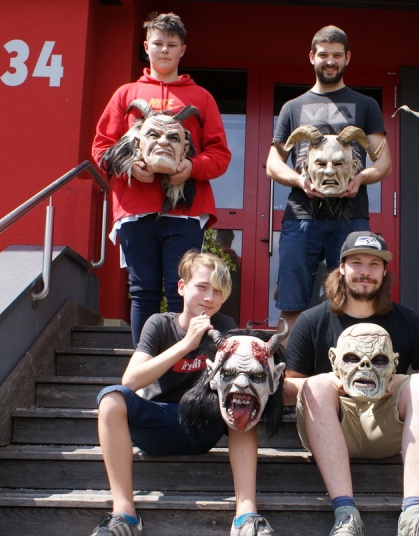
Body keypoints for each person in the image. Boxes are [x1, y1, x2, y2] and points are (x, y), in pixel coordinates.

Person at [91, 251, 275, 536]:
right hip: (158, 424)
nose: (209, 298)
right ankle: (124, 514)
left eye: (218, 291)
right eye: (202, 287)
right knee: (111, 398)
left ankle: (246, 515)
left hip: (202, 425)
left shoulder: (225, 326)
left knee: (242, 401)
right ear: (181, 287)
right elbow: (130, 380)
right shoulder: (159, 324)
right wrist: (187, 344)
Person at [284, 231, 419, 536]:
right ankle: (346, 515)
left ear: (384, 272)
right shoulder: (311, 321)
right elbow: (286, 391)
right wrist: (330, 380)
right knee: (317, 386)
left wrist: (401, 378)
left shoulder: (407, 320)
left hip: (387, 427)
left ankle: (414, 516)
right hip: (334, 427)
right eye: (357, 263)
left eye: (374, 264)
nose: (365, 271)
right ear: (341, 268)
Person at [92, 12, 231, 347]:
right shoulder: (126, 94)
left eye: (171, 44)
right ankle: (144, 365)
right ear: (146, 47)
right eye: (158, 43)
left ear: (183, 49)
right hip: (135, 208)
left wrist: (191, 167)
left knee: (181, 289)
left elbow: (220, 155)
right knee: (143, 290)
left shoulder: (202, 97)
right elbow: (101, 147)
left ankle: (184, 362)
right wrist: (129, 166)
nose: (164, 50)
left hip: (185, 211)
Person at [266, 25, 392, 335]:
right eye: (323, 55)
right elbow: (272, 164)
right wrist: (300, 181)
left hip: (351, 216)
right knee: (292, 300)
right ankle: (291, 362)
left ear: (347, 58)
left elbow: (384, 162)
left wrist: (360, 178)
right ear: (312, 57)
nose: (330, 61)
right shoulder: (292, 108)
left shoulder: (366, 105)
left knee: (353, 296)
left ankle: (349, 357)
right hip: (301, 216)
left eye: (337, 55)